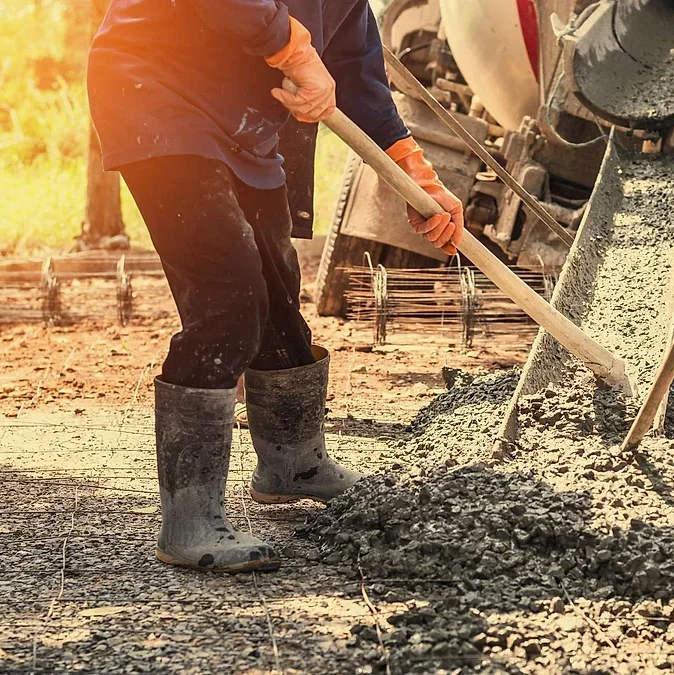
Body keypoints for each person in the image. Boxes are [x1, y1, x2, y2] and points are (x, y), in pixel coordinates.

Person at [88, 0, 464, 573]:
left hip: (243, 119)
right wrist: (295, 50)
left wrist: (418, 177)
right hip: (158, 93)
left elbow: (357, 74)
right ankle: (189, 518)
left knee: (277, 291)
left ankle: (292, 464)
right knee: (228, 294)